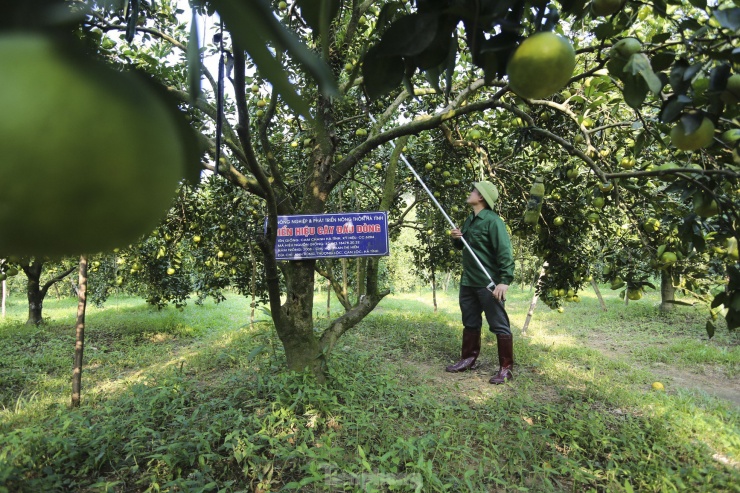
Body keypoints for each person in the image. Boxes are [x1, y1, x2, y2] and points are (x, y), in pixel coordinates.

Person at [446, 181, 515, 384]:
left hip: (488, 282)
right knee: (470, 321)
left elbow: (504, 252)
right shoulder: (470, 220)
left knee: (499, 324)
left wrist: (504, 281)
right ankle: (468, 359)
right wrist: (457, 238)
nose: (470, 192)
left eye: (474, 191)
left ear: (482, 197)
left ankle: (506, 368)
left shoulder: (494, 222)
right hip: (469, 280)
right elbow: (464, 246)